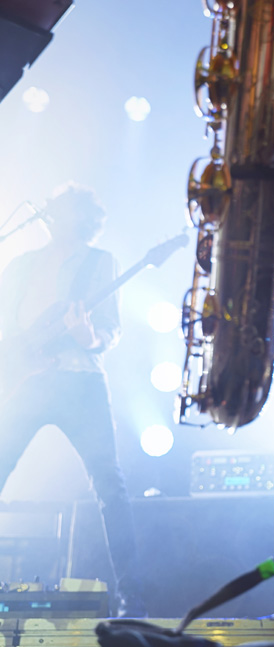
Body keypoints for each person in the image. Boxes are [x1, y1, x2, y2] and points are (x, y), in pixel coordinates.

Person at [0, 182, 147, 618]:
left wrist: (89, 336)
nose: (51, 212)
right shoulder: (22, 264)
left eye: (61, 207)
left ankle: (132, 599)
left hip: (80, 382)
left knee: (110, 487)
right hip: (29, 382)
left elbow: (111, 329)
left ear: (80, 217)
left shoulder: (100, 263)